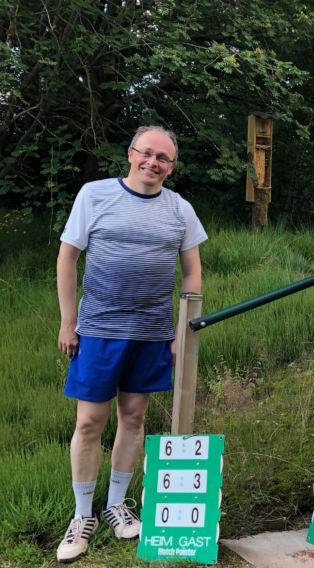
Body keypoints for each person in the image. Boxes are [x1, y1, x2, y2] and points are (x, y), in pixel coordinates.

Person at [56, 126, 208, 563]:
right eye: (147, 153)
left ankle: (116, 506)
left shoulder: (180, 209)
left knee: (134, 416)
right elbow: (68, 256)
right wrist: (70, 322)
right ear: (130, 154)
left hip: (152, 331)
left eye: (164, 158)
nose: (154, 163)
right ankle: (82, 514)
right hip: (99, 329)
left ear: (171, 166)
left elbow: (192, 273)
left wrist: (183, 327)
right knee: (89, 421)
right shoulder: (95, 195)